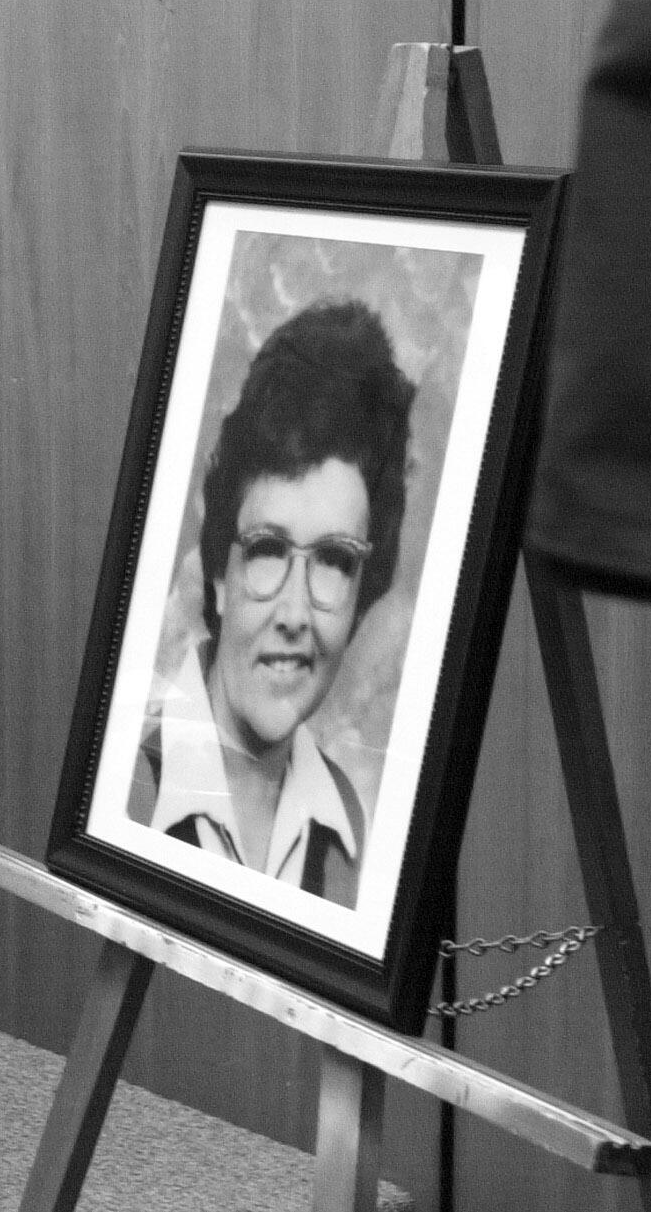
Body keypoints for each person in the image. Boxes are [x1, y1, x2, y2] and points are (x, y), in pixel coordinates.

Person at [127, 299, 416, 907]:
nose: (294, 614)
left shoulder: (348, 836)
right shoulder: (129, 788)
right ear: (220, 576)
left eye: (336, 561)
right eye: (267, 549)